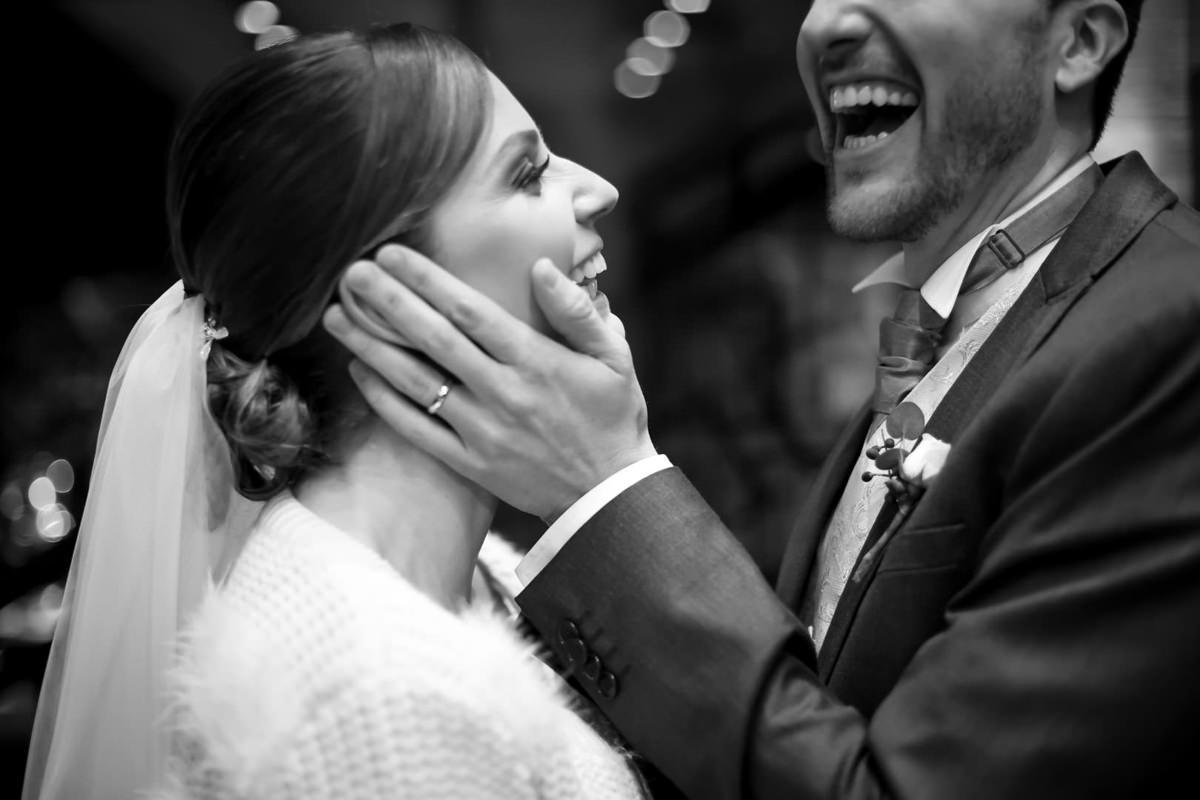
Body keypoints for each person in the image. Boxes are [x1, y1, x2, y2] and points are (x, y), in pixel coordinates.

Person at [323, 0, 1200, 798]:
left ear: (1077, 42)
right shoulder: (951, 325)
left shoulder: (1167, 331)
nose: (823, 24)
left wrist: (605, 487)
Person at [22, 23, 648, 800]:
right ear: (384, 298)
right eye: (527, 173)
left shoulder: (472, 573)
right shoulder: (379, 700)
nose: (597, 188)